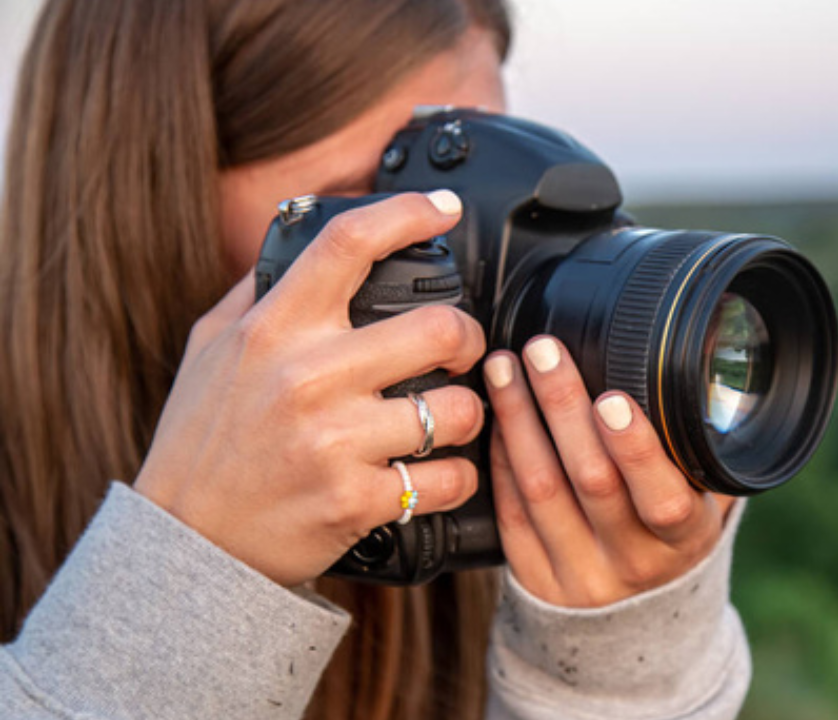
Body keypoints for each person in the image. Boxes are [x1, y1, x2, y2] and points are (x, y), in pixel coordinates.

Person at [0, 1, 750, 718]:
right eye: (377, 216)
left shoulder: (484, 503)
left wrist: (612, 673)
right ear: (147, 204)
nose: (454, 288)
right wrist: (195, 574)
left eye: (475, 208)